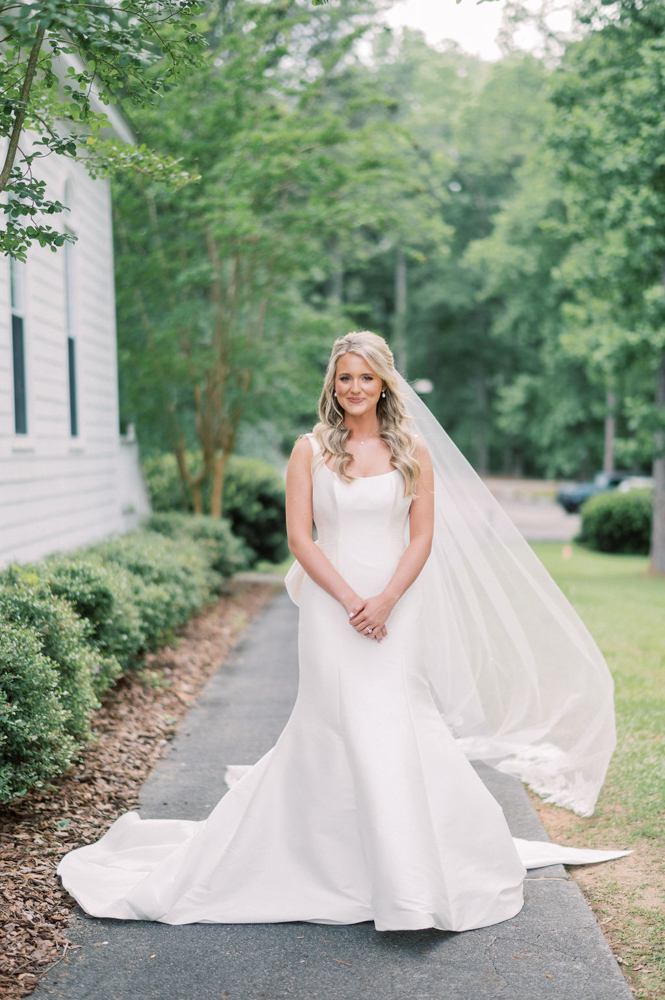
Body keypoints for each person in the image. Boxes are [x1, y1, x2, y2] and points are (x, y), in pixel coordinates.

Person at [57, 331, 627, 932]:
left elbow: (422, 537)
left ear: (385, 384)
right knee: (332, 723)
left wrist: (384, 600)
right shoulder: (310, 451)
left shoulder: (412, 452)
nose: (355, 388)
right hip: (331, 610)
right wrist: (354, 600)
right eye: (345, 377)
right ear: (333, 382)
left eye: (367, 377)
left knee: (399, 721)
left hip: (396, 607)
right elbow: (301, 539)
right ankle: (323, 861)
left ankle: (411, 870)